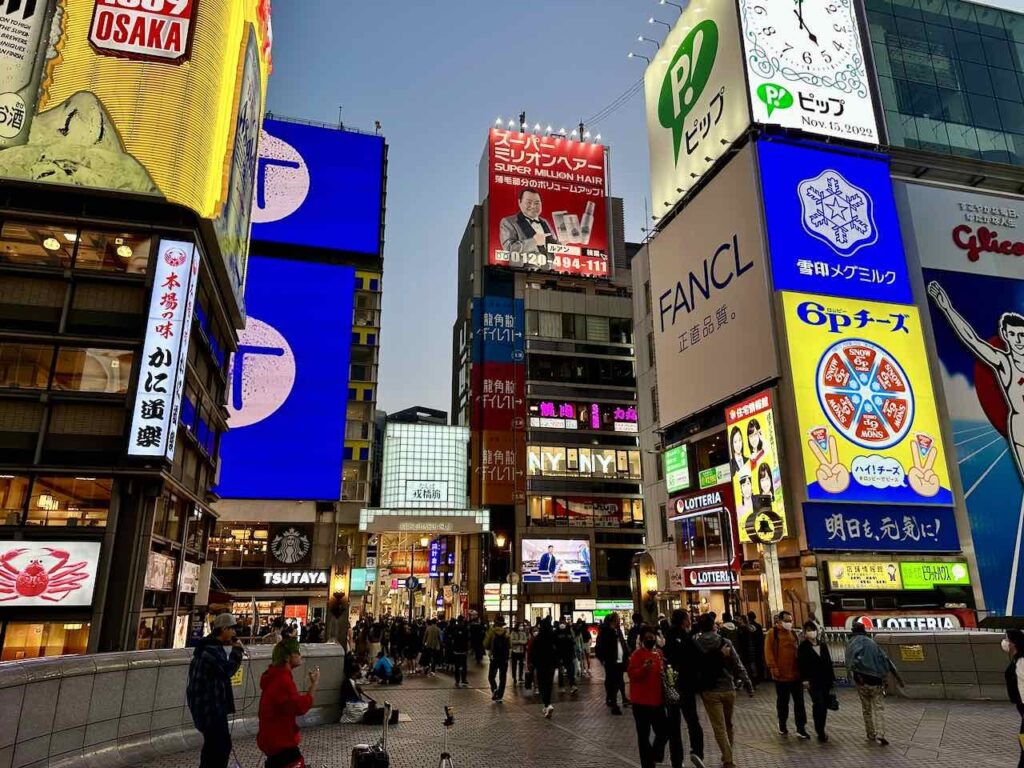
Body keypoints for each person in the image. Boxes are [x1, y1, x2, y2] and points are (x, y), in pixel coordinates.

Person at [186, 613, 245, 768]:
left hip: (210, 707)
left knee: (214, 748)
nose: (234, 633)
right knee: (220, 747)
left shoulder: (207, 647)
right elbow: (227, 670)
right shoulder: (211, 650)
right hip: (210, 708)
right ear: (223, 629)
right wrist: (237, 652)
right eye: (232, 629)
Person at [695, 612, 752, 768]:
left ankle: (728, 758)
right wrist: (747, 682)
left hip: (710, 690)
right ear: (714, 625)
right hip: (728, 687)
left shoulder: (696, 643)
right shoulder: (724, 641)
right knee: (728, 724)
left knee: (719, 727)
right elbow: (737, 663)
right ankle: (728, 756)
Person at [257, 638, 319, 768]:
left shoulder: (273, 676)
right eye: (297, 652)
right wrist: (314, 685)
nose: (300, 655)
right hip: (282, 742)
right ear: (288, 657)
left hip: (271, 741)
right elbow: (299, 707)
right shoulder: (283, 680)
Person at [662, 610, 705, 768]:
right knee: (692, 721)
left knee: (674, 726)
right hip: (685, 685)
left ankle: (677, 761)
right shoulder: (687, 638)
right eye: (688, 618)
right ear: (683, 621)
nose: (690, 620)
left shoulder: (668, 637)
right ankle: (697, 753)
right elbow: (700, 656)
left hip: (671, 685)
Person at [846, 621, 900, 746]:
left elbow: (850, 662)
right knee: (879, 708)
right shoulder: (872, 643)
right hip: (876, 681)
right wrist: (895, 676)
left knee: (866, 709)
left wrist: (852, 676)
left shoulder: (851, 643)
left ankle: (870, 733)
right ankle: (881, 734)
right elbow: (885, 659)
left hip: (861, 681)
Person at [627, 627, 669, 768]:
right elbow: (632, 675)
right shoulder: (637, 655)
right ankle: (647, 764)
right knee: (643, 735)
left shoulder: (659, 653)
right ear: (643, 639)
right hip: (641, 702)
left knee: (663, 732)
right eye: (648, 637)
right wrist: (644, 668)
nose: (651, 639)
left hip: (657, 700)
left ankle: (655, 755)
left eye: (653, 637)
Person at [765, 610, 809, 739]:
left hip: (796, 675)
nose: (789, 623)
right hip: (781, 675)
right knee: (783, 702)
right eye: (787, 621)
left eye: (790, 620)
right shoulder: (772, 634)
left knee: (799, 702)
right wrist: (773, 667)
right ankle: (782, 725)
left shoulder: (793, 634)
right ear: (779, 621)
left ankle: (801, 728)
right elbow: (768, 651)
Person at [797, 620, 835, 742]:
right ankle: (820, 731)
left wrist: (832, 680)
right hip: (812, 681)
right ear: (804, 632)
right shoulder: (803, 647)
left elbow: (828, 663)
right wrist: (804, 679)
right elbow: (801, 664)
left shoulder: (822, 645)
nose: (811, 632)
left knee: (824, 706)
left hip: (825, 680)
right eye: (808, 630)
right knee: (818, 704)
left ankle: (821, 729)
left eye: (812, 630)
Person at [498, 187, 558, 255]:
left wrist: (561, 243)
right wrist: (534, 242)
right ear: (519, 202)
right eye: (529, 202)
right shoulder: (508, 222)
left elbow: (553, 246)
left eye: (537, 203)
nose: (533, 206)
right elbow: (508, 249)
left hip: (550, 265)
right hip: (523, 265)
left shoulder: (545, 221)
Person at [595, 612, 630, 714]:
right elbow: (601, 647)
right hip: (611, 661)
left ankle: (617, 699)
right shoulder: (606, 632)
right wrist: (604, 659)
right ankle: (613, 702)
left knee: (619, 680)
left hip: (620, 660)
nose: (619, 621)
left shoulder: (617, 631)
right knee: (613, 681)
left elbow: (622, 643)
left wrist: (626, 654)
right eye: (618, 619)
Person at [1003, 629, 1024, 768]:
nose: (1005, 642)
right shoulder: (1017, 659)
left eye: (1007, 639)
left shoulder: (1022, 661)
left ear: (1014, 643)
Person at [530, 617, 559, 718]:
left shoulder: (538, 638)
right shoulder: (553, 636)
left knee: (542, 684)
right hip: (551, 664)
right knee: (549, 684)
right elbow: (557, 649)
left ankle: (547, 704)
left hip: (541, 664)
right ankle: (547, 704)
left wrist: (532, 662)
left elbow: (533, 651)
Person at [484, 615, 512, 701]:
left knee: (491, 676)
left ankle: (494, 689)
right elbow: (510, 645)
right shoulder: (507, 633)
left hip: (494, 657)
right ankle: (500, 695)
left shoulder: (491, 632)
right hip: (504, 658)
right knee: (502, 677)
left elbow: (485, 644)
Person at [450, 615, 470, 688]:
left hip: (456, 650)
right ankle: (463, 679)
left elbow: (452, 639)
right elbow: (468, 639)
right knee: (464, 665)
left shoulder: (454, 628)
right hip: (463, 650)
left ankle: (457, 681)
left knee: (457, 666)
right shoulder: (465, 629)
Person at [746, 611, 765, 683]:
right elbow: (761, 637)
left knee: (753, 664)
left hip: (752, 647)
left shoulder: (748, 626)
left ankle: (755, 678)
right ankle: (761, 677)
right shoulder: (758, 625)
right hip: (759, 647)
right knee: (759, 662)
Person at [510, 620, 529, 684]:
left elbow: (525, 641)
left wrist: (518, 641)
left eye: (522, 626)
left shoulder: (523, 633)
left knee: (521, 664)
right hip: (514, 651)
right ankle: (514, 677)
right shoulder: (513, 633)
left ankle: (520, 677)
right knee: (514, 665)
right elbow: (512, 641)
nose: (521, 627)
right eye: (520, 626)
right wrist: (520, 641)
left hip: (521, 651)